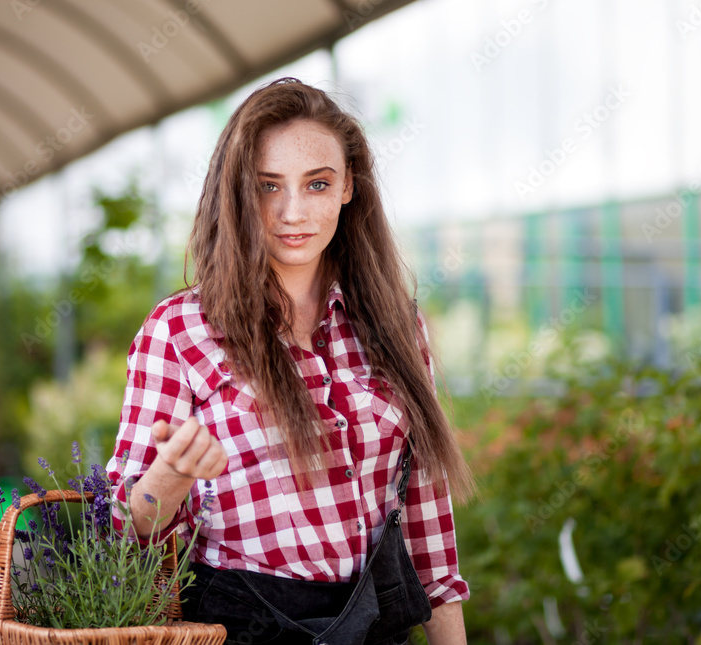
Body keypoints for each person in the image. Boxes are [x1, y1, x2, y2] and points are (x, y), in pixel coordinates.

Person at [105, 77, 476, 645]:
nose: (292, 212)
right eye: (267, 186)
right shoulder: (182, 330)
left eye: (317, 184)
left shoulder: (395, 324)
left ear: (349, 187)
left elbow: (427, 512)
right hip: (245, 626)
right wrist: (172, 472)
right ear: (236, 193)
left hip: (374, 623)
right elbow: (130, 528)